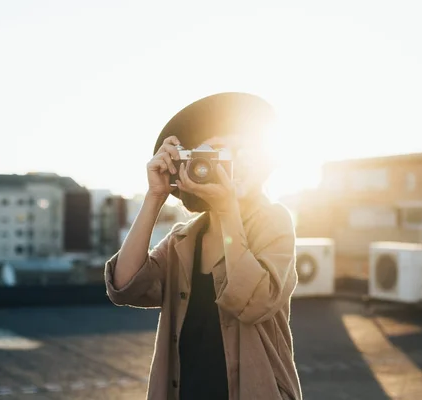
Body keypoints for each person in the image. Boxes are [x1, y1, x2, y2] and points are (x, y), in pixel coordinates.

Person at [104, 92, 302, 400]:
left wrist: (227, 210)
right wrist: (155, 195)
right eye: (222, 152)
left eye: (245, 151)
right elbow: (124, 285)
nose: (236, 162)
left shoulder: (273, 221)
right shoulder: (184, 240)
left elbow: (254, 304)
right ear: (198, 163)